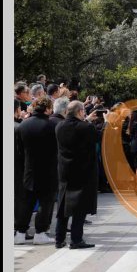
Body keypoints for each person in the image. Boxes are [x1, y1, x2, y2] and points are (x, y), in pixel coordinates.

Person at [54, 101, 98, 249]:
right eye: (83, 111)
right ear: (79, 112)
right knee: (80, 208)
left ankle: (59, 239)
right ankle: (76, 239)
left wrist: (87, 121)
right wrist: (106, 123)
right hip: (82, 172)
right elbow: (97, 137)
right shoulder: (86, 127)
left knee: (62, 207)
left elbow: (77, 130)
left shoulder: (59, 126)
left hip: (65, 170)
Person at [14, 96, 57, 245]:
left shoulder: (23, 125)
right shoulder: (52, 126)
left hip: (29, 169)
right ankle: (40, 233)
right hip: (48, 170)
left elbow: (19, 150)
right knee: (46, 203)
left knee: (26, 202)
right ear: (48, 109)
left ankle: (20, 233)